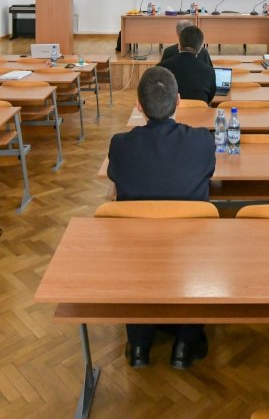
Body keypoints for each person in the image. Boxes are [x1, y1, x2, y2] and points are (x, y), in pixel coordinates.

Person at [107, 67, 216, 370]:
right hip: (190, 248)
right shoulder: (203, 142)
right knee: (195, 254)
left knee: (140, 257)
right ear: (179, 101)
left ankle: (139, 346)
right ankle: (184, 344)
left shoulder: (120, 145)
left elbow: (116, 180)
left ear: (139, 105)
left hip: (137, 249)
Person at [159, 25, 216, 105]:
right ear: (200, 49)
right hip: (200, 115)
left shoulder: (161, 68)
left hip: (170, 114)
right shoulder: (209, 71)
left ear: (179, 46)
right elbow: (209, 98)